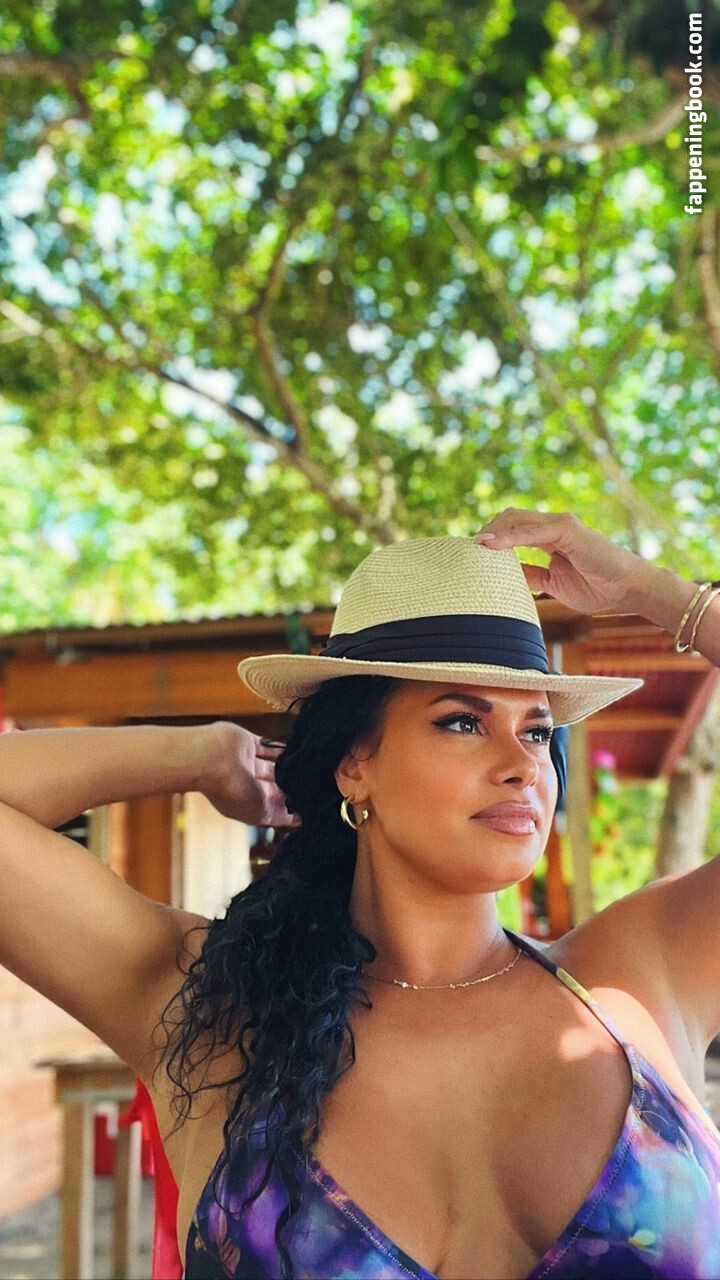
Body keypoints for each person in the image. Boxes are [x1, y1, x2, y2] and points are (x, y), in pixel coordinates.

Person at [0, 509, 718, 1280]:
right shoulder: (211, 1005)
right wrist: (201, 755)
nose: (522, 765)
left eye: (538, 732)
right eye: (462, 723)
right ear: (355, 766)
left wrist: (660, 594)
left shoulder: (642, 974)